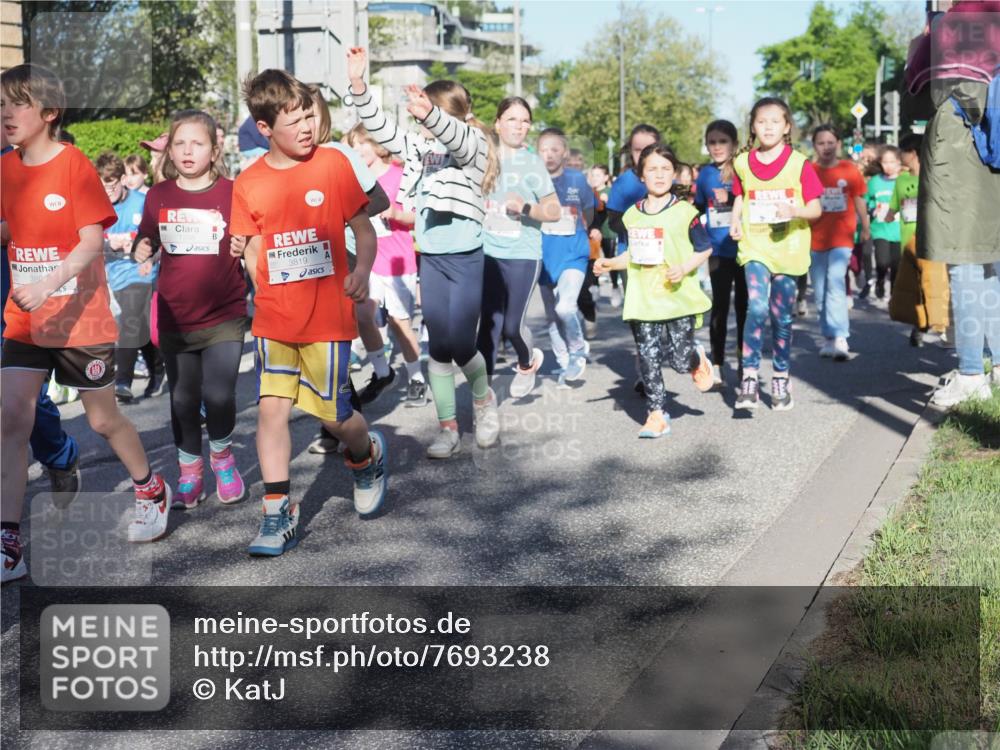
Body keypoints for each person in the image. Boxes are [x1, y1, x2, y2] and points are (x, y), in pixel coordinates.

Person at [1, 63, 172, 584]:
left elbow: (92, 241)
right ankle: (9, 541)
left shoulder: (74, 165)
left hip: (80, 316)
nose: (6, 113)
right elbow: (11, 225)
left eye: (18, 103)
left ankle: (149, 489)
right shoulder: (5, 167)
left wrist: (48, 283)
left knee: (101, 420)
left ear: (49, 113)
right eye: (2, 103)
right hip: (23, 317)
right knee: (11, 417)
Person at [231, 68, 388, 555]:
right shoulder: (249, 182)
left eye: (308, 115)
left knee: (337, 415)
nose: (305, 126)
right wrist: (261, 286)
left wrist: (361, 270)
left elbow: (363, 229)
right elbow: (253, 249)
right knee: (272, 411)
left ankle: (366, 456)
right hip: (275, 320)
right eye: (293, 120)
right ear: (264, 129)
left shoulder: (333, 164)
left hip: (328, 318)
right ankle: (277, 513)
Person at [348, 47, 500, 459]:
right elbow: (383, 132)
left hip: (466, 258)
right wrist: (361, 85)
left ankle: (484, 402)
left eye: (435, 116)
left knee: (461, 345)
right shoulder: (420, 147)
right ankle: (448, 427)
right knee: (439, 348)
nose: (427, 123)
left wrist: (432, 114)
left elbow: (455, 137)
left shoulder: (473, 147)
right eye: (424, 116)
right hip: (430, 258)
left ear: (456, 116)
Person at [132, 109, 249, 510]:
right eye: (179, 143)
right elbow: (145, 238)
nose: (187, 151)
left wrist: (244, 246)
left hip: (225, 314)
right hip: (175, 316)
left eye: (197, 143)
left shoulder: (235, 192)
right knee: (182, 400)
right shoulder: (158, 194)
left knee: (218, 395)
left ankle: (223, 458)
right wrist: (141, 248)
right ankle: (189, 471)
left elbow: (253, 238)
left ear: (215, 150)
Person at [904, 0, 1000, 406]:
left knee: (963, 260)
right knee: (992, 260)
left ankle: (971, 372)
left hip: (962, 143)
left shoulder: (953, 21)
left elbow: (914, 85)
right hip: (990, 142)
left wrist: (926, 36)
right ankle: (994, 365)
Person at [594, 143, 713, 438]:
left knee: (679, 359)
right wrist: (610, 263)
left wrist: (685, 268)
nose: (659, 175)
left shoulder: (686, 212)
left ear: (674, 174)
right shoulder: (633, 215)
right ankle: (656, 414)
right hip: (644, 298)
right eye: (652, 170)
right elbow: (635, 254)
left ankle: (696, 359)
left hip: (677, 297)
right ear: (641, 176)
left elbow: (705, 248)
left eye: (665, 169)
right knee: (647, 355)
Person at [0, 127, 82, 516]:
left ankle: (58, 452)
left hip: (14, 289)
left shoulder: (21, 160)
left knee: (18, 396)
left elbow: (42, 222)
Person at [729, 97, 823, 412]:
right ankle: (750, 375)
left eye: (775, 121)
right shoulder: (742, 162)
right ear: (752, 126)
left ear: (786, 127)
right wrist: (734, 220)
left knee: (781, 316)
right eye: (761, 121)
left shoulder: (799, 163)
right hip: (755, 244)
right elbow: (740, 195)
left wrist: (792, 209)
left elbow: (815, 209)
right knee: (756, 305)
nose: (767, 127)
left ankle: (781, 375)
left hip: (789, 246)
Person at [476, 96, 559, 398]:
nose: (519, 126)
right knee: (488, 327)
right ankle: (482, 396)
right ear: (497, 124)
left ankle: (527, 362)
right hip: (487, 254)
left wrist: (525, 207)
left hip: (523, 254)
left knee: (512, 327)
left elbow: (554, 211)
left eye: (525, 121)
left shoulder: (532, 163)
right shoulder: (483, 159)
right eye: (512, 119)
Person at [346, 122, 428, 405]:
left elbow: (418, 217)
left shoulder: (399, 175)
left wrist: (395, 213)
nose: (356, 150)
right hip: (368, 260)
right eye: (352, 146)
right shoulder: (355, 179)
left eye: (361, 144)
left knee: (399, 322)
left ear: (376, 145)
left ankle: (416, 377)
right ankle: (382, 372)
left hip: (397, 260)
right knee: (363, 315)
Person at [96, 151, 166, 402]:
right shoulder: (99, 210)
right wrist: (108, 245)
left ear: (123, 179)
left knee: (129, 320)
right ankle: (157, 371)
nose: (109, 193)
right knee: (139, 324)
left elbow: (159, 235)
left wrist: (146, 253)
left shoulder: (142, 201)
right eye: (104, 187)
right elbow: (91, 246)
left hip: (144, 272)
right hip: (118, 275)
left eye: (112, 185)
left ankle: (123, 381)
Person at [537, 127, 594, 385]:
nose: (548, 155)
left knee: (565, 306)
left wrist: (581, 231)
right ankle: (564, 363)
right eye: (543, 150)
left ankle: (578, 348)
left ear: (565, 153)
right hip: (544, 256)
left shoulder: (577, 180)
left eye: (554, 150)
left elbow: (589, 212)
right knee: (552, 316)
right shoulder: (532, 181)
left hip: (574, 253)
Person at [809, 124, 870, 361]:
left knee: (835, 284)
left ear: (838, 144)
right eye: (821, 143)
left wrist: (865, 227)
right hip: (814, 238)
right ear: (814, 146)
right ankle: (828, 337)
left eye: (830, 142)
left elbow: (859, 199)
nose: (826, 147)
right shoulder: (809, 171)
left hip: (842, 237)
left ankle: (840, 337)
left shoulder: (849, 169)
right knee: (821, 290)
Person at [694, 119, 747, 388]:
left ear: (734, 144)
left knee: (745, 307)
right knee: (720, 306)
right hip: (718, 249)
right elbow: (698, 208)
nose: (717, 147)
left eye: (722, 141)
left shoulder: (743, 169)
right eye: (712, 142)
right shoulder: (704, 175)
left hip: (745, 248)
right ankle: (717, 363)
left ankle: (743, 357)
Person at [886, 133, 950, 348]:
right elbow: (895, 204)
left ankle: (941, 326)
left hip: (931, 238)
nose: (900, 155)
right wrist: (886, 215)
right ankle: (920, 326)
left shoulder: (933, 176)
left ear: (912, 153)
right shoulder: (902, 180)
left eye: (902, 151)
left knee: (933, 285)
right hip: (908, 240)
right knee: (915, 289)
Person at [864, 145, 903, 303]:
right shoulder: (874, 182)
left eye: (892, 162)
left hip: (899, 230)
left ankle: (894, 293)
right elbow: (865, 201)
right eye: (885, 162)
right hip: (880, 229)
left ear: (899, 163)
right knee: (882, 261)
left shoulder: (905, 180)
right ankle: (880, 280)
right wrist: (872, 209)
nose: (888, 165)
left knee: (896, 264)